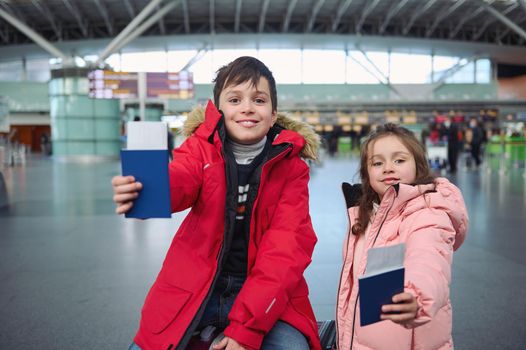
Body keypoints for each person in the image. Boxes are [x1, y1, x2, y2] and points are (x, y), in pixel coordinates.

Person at [112, 56, 322, 350]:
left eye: (259, 100)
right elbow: (182, 178)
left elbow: (286, 249)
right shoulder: (200, 149)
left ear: (273, 115)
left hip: (264, 296)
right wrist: (148, 189)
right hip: (196, 288)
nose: (247, 107)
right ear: (219, 110)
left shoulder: (291, 168)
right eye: (235, 99)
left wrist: (246, 330)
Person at [336, 123, 468, 349]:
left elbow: (429, 259)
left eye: (399, 160)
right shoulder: (367, 215)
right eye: (378, 163)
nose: (388, 168)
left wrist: (416, 296)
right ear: (367, 172)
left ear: (418, 165)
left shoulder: (428, 213)